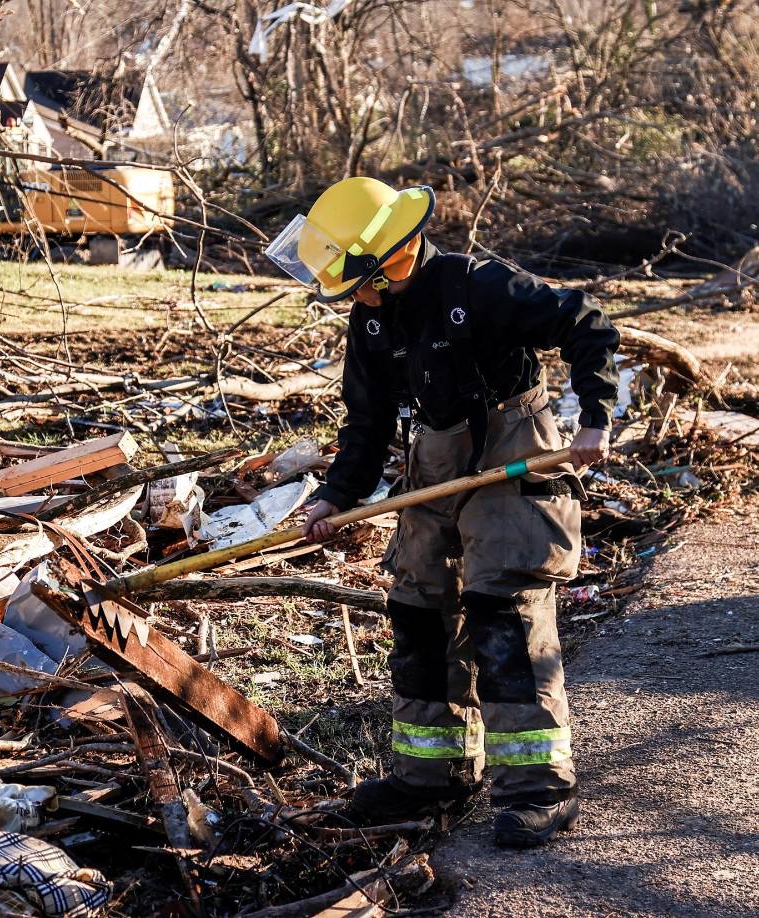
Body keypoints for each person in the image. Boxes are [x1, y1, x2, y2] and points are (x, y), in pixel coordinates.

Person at [264, 177, 620, 847]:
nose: (355, 298)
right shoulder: (370, 316)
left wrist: (598, 417)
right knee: (419, 608)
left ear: (391, 257)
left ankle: (540, 788)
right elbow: (366, 421)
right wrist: (337, 495)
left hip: (513, 444)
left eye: (359, 283)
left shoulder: (476, 286)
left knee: (501, 611)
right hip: (433, 454)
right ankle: (433, 774)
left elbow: (586, 324)